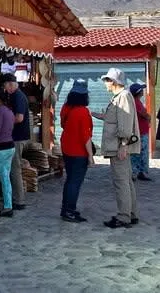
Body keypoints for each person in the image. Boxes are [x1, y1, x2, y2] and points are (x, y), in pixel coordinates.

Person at [93, 68, 140, 229]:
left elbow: (125, 124)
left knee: (121, 182)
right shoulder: (119, 97)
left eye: (106, 80)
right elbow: (115, 118)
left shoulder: (124, 97)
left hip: (119, 147)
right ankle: (131, 213)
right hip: (119, 146)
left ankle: (124, 216)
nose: (105, 83)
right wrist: (98, 115)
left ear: (113, 82)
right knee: (126, 181)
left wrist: (124, 145)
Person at [59, 79, 94, 223]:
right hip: (78, 151)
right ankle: (69, 211)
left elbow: (62, 125)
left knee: (69, 180)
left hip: (66, 148)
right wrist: (91, 156)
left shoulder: (66, 108)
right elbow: (85, 137)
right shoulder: (83, 112)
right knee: (75, 182)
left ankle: (66, 209)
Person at [2, 74, 30, 210]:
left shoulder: (18, 96)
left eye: (5, 85)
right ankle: (14, 197)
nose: (4, 89)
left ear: (10, 84)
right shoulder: (16, 96)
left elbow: (19, 118)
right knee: (12, 168)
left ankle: (19, 200)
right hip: (17, 137)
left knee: (14, 169)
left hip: (18, 138)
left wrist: (4, 120)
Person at [129, 82, 152, 181]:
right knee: (141, 153)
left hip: (137, 131)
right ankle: (139, 172)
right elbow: (144, 115)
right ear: (138, 92)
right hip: (141, 132)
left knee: (136, 153)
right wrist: (149, 117)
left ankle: (136, 172)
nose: (143, 91)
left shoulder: (133, 102)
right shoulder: (136, 103)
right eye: (141, 90)